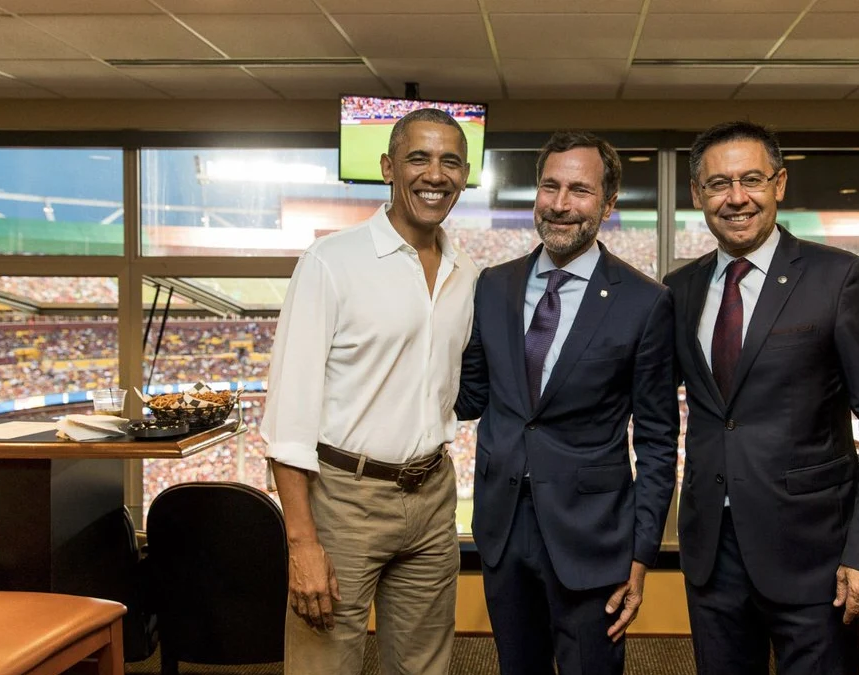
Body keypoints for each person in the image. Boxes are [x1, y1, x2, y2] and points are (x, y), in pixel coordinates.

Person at [662, 120, 859, 675]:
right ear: (698, 195)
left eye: (751, 179)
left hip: (813, 552)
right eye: (719, 184)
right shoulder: (679, 290)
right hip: (711, 550)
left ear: (779, 184)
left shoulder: (840, 279)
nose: (736, 198)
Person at [261, 108, 476, 675]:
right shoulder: (332, 262)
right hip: (344, 500)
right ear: (387, 167)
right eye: (418, 158)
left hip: (432, 497)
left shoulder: (467, 273)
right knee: (324, 665)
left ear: (465, 173)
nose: (436, 174)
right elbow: (288, 419)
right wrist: (302, 543)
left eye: (450, 161)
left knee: (424, 666)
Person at [456, 131, 679, 675]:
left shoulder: (645, 302)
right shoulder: (493, 285)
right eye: (550, 186)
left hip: (593, 538)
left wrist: (642, 552)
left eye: (579, 190)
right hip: (503, 530)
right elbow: (469, 397)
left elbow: (656, 438)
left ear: (607, 204)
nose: (560, 204)